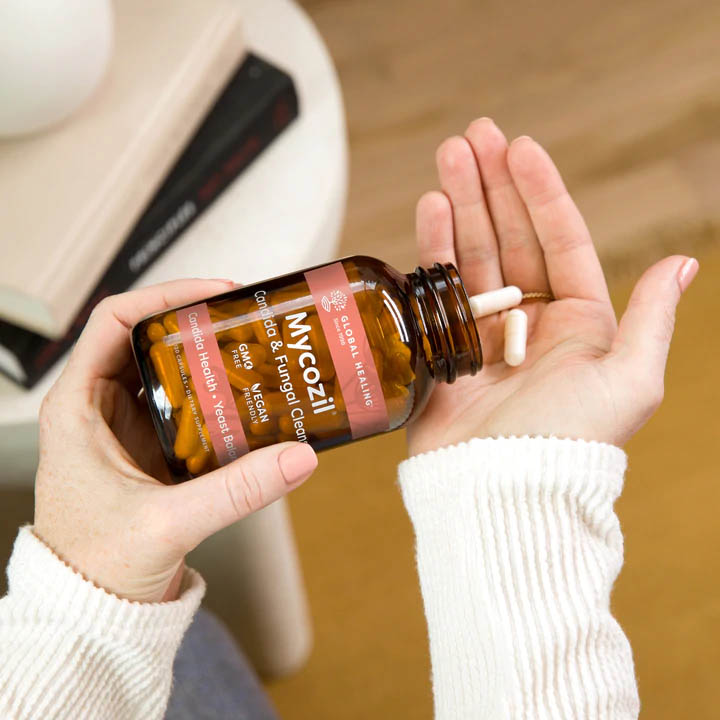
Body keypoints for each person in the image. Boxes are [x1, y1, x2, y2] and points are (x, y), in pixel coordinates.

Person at [0, 119, 697, 719]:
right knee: (199, 645)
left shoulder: (395, 360)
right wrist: (512, 483)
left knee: (198, 646)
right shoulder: (377, 299)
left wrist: (81, 609)